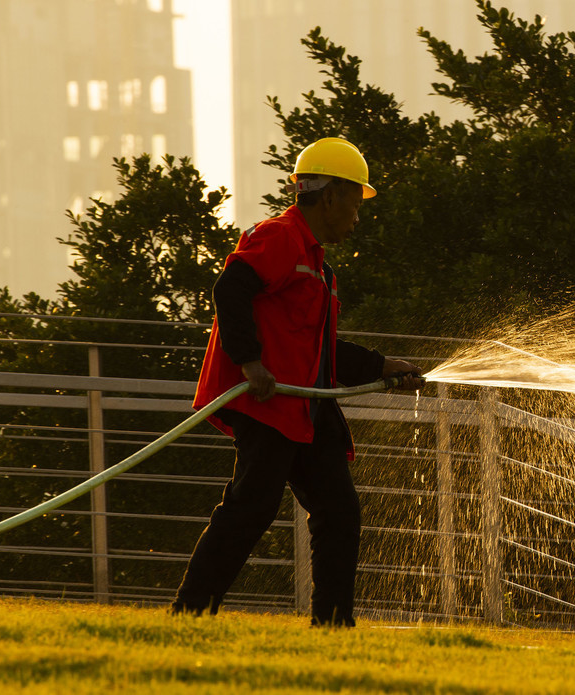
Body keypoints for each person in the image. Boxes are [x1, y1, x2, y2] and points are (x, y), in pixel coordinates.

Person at [172, 137, 423, 626]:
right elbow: (231, 288)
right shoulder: (281, 237)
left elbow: (318, 350)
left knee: (339, 513)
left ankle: (332, 627)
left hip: (304, 412)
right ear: (330, 195)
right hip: (269, 406)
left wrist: (381, 366)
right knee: (250, 510)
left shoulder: (319, 264)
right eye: (356, 200)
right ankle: (190, 614)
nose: (358, 214)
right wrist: (250, 363)